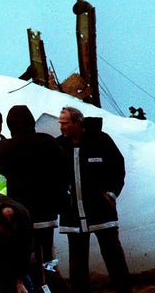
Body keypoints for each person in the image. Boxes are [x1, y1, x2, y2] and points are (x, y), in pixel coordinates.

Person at [0, 105, 69, 292]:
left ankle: (31, 287)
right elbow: (62, 166)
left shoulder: (5, 148)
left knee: (24, 254)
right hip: (47, 210)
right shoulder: (48, 142)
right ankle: (49, 286)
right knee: (47, 254)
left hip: (21, 213)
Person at [57, 106, 131, 293]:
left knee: (113, 257)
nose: (61, 126)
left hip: (101, 213)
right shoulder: (59, 146)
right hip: (73, 215)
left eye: (65, 123)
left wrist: (111, 194)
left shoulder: (101, 140)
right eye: (60, 123)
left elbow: (118, 168)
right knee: (77, 264)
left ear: (77, 122)